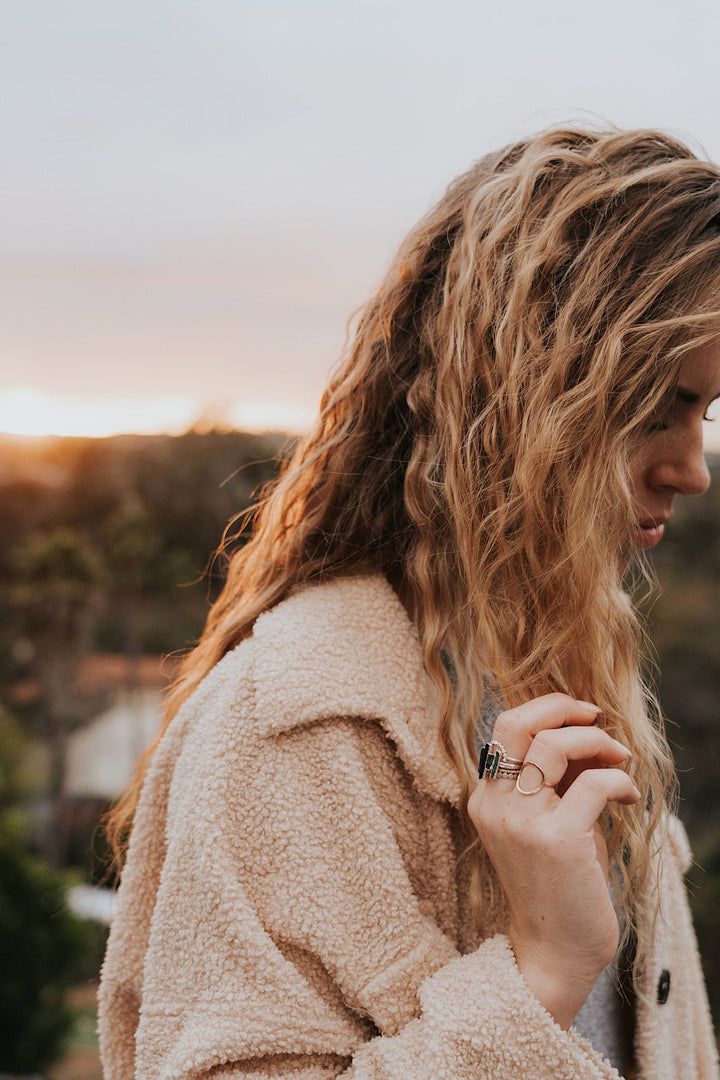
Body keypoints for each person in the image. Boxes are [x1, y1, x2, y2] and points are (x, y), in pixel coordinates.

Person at [98, 126, 720, 1080]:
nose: (692, 469)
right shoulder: (296, 730)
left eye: (705, 414)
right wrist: (540, 972)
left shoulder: (567, 672)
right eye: (651, 409)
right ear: (522, 396)